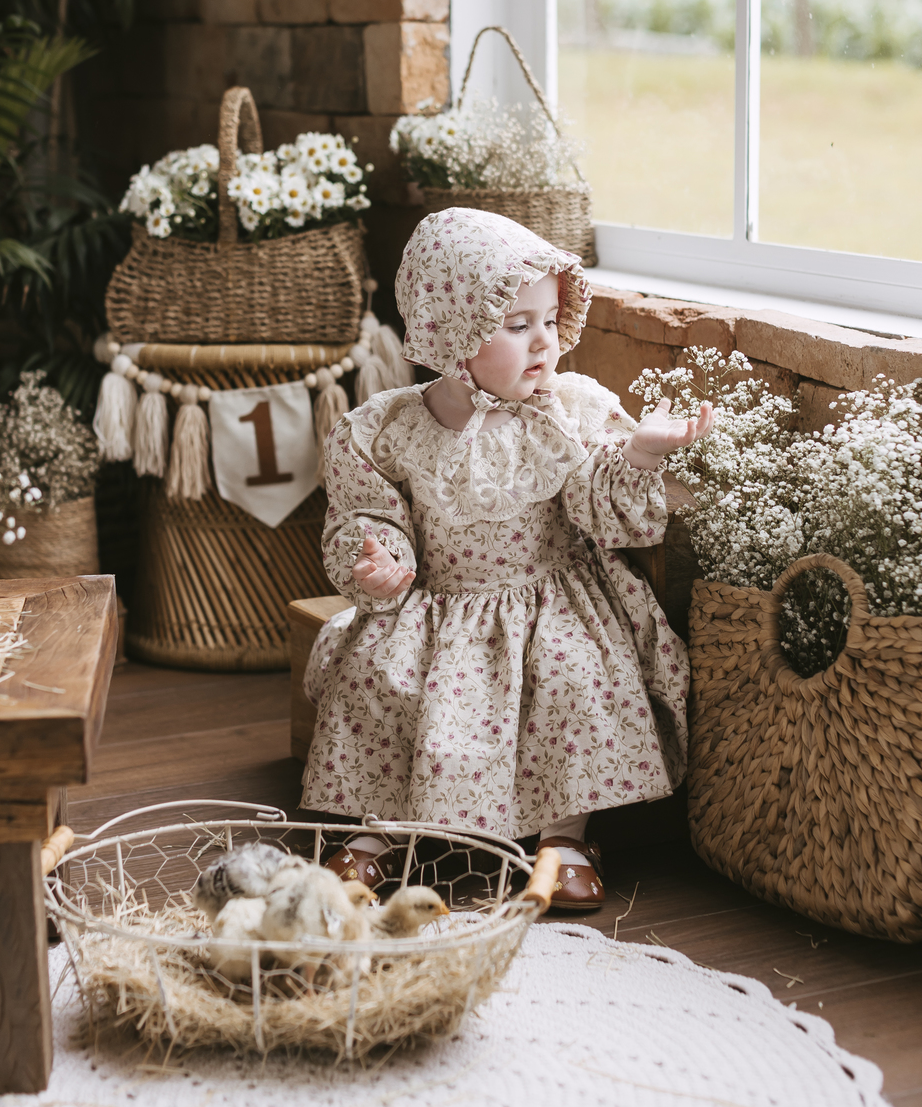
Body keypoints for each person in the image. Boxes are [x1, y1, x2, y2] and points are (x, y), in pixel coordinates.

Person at [301, 207, 712, 910]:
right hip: (435, 603)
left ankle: (564, 840)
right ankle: (378, 832)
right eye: (518, 325)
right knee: (380, 682)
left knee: (576, 682)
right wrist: (379, 559)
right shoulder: (389, 427)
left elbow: (599, 499)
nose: (545, 341)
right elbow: (367, 513)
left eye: (550, 320)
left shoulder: (569, 411)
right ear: (453, 333)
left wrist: (640, 454)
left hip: (549, 599)